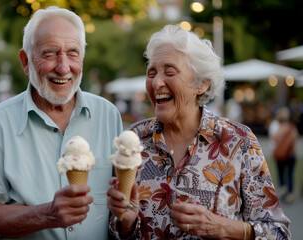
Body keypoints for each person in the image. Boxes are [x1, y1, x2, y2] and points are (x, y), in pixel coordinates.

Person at [107, 24, 291, 239]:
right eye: (152, 72)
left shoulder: (238, 141)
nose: (156, 82)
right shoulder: (133, 140)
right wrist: (126, 224)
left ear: (201, 84)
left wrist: (222, 227)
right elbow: (113, 232)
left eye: (169, 71)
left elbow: (278, 233)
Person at [0, 6, 123, 239]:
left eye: (73, 53)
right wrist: (46, 214)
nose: (63, 67)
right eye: (50, 53)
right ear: (25, 61)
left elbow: (122, 202)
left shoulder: (108, 115)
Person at [272, 107, 299, 203]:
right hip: (290, 154)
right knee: (289, 174)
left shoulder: (278, 126)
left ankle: (284, 188)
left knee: (282, 173)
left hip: (282, 153)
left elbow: (274, 137)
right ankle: (288, 193)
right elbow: (295, 137)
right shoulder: (291, 127)